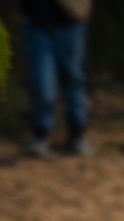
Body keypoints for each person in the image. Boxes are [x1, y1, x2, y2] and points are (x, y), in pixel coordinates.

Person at [22, 0, 91, 159]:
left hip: (70, 22)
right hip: (36, 23)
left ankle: (77, 135)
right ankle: (41, 137)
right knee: (41, 83)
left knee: (73, 79)